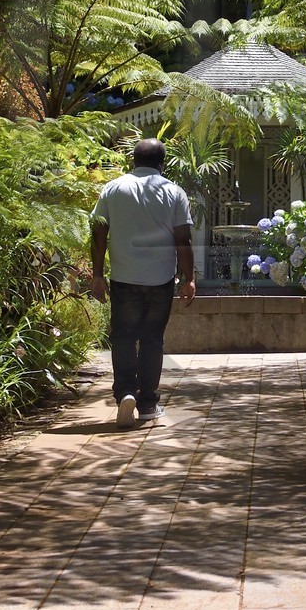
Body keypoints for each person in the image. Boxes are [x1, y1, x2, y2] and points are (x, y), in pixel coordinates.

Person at [89, 138, 196, 428]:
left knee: (123, 337)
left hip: (124, 276)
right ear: (162, 163)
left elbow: (99, 232)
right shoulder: (174, 192)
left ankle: (125, 392)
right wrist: (189, 278)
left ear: (133, 161)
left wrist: (97, 274)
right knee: (151, 340)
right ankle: (148, 404)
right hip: (160, 279)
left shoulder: (113, 188)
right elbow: (183, 238)